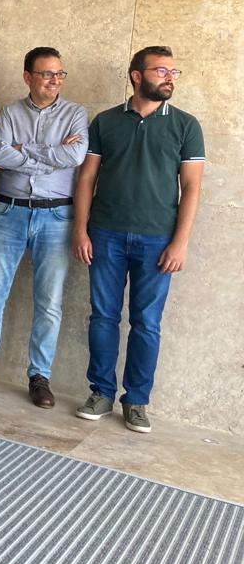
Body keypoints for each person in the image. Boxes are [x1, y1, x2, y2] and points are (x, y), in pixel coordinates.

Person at [73, 46, 203, 434]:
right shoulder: (106, 121)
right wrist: (80, 229)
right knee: (103, 317)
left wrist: (180, 242)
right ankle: (100, 392)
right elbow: (86, 178)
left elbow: (192, 188)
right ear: (136, 75)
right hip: (106, 234)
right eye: (161, 70)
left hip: (157, 241)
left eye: (173, 71)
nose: (169, 77)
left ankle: (137, 401)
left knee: (147, 323)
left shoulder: (186, 125)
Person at [0, 47, 88, 407]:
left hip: (57, 217)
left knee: (49, 302)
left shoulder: (75, 114)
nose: (55, 81)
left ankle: (39, 377)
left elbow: (74, 157)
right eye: (47, 74)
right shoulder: (9, 112)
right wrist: (47, 155)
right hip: (10, 212)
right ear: (27, 77)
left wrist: (24, 151)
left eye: (59, 74)